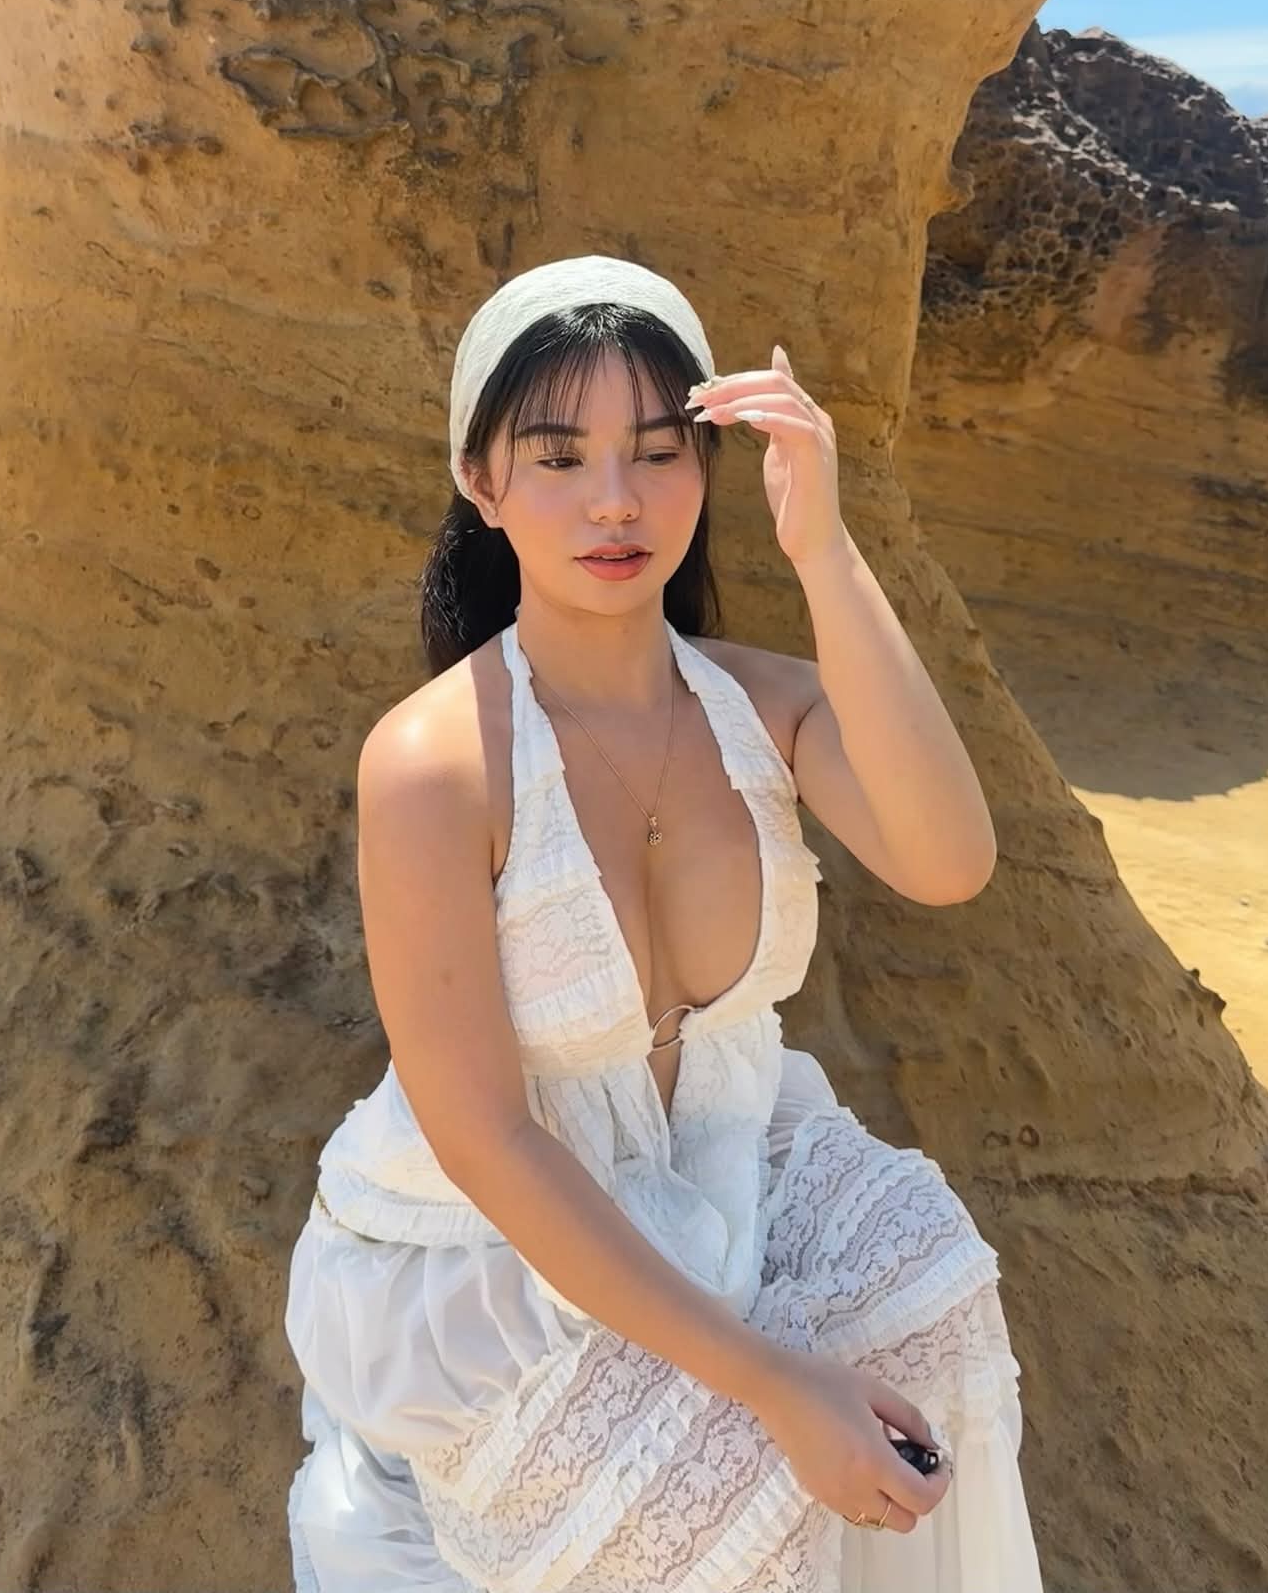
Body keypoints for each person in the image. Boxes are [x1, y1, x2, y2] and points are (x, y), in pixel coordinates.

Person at [283, 254, 1045, 1592]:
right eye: (559, 457)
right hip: (494, 1256)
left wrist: (825, 549)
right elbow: (489, 1140)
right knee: (732, 1477)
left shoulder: (769, 708)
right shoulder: (432, 764)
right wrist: (772, 1383)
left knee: (936, 1295)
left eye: (656, 452)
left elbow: (950, 861)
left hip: (725, 1163)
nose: (616, 502)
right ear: (480, 482)